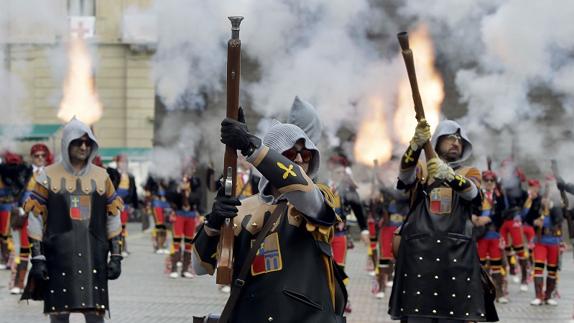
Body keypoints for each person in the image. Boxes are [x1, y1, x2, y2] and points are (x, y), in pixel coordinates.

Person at [193, 112, 347, 322]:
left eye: (307, 154)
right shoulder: (244, 207)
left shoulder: (319, 196)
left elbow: (302, 191)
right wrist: (213, 223)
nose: (300, 159)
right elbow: (199, 267)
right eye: (291, 153)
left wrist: (250, 146)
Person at [389, 119, 498, 322]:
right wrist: (414, 146)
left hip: (456, 257)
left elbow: (473, 194)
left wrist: (448, 175)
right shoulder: (420, 168)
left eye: (459, 140)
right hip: (418, 257)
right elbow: (405, 177)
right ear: (437, 141)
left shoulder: (469, 172)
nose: (455, 143)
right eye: (450, 138)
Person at [22, 117, 124, 323]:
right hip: (57, 257)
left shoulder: (102, 177)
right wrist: (38, 258)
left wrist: (116, 256)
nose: (84, 146)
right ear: (67, 143)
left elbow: (113, 217)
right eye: (78, 142)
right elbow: (35, 219)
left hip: (93, 255)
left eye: (88, 142)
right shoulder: (47, 176)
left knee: (95, 316)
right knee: (59, 316)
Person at [8, 144, 50, 295]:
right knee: (24, 250)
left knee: (44, 251)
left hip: (45, 217)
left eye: (42, 156)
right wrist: (18, 205)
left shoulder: (50, 173)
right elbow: (15, 187)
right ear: (32, 157)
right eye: (36, 156)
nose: (39, 158)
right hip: (26, 215)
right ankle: (19, 283)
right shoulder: (24, 171)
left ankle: (42, 286)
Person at [524, 179, 562, 306]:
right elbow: (528, 218)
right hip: (540, 240)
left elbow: (559, 219)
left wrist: (550, 206)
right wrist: (534, 221)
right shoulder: (537, 201)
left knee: (552, 269)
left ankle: (548, 296)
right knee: (538, 267)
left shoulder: (557, 203)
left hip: (553, 240)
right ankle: (538, 296)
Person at [474, 170, 508, 303]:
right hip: (481, 235)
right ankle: (480, 293)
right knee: (481, 265)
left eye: (491, 181)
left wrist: (488, 218)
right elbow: (471, 209)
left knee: (496, 265)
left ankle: (499, 293)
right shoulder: (478, 194)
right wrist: (474, 217)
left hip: (494, 234)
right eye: (486, 180)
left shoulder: (499, 196)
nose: (488, 183)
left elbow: (503, 213)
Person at [167, 162, 202, 279]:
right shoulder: (175, 180)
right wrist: (179, 189)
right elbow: (170, 195)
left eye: (191, 168)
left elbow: (198, 197)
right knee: (176, 240)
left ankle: (185, 269)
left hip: (191, 214)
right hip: (178, 213)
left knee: (189, 242)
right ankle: (173, 268)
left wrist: (189, 193)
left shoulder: (196, 181)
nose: (189, 170)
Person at [0, 152, 32, 271]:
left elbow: (17, 188)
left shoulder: (16, 169)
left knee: (7, 234)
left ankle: (9, 259)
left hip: (8, 203)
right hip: (7, 202)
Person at [112, 154, 138, 257]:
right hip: (114, 203)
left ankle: (122, 248)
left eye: (125, 162)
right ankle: (114, 249)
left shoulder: (130, 176)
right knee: (113, 227)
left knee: (123, 227)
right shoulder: (113, 173)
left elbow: (133, 191)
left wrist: (135, 205)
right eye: (121, 162)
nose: (123, 164)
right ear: (117, 163)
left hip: (125, 205)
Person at [144, 175, 171, 254]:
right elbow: (147, 188)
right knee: (159, 225)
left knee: (165, 225)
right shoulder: (152, 176)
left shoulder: (168, 175)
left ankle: (163, 245)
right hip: (156, 202)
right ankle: (159, 246)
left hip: (167, 202)